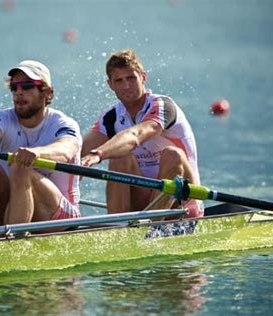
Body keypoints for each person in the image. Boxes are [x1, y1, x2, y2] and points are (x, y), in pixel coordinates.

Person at [81, 49, 203, 218]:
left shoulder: (163, 106)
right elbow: (78, 153)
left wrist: (98, 154)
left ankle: (150, 228)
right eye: (119, 80)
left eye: (131, 78)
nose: (126, 86)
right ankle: (118, 230)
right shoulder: (111, 118)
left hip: (182, 202)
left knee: (172, 155)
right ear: (110, 85)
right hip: (144, 201)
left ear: (143, 77)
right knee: (120, 158)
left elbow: (135, 136)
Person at [0, 60, 82, 229]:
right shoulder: (2, 117)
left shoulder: (63, 124)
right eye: (14, 87)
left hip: (62, 219)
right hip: (18, 207)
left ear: (47, 92)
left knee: (20, 166)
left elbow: (66, 149)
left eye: (26, 86)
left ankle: (12, 244)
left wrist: (37, 153)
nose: (18, 92)